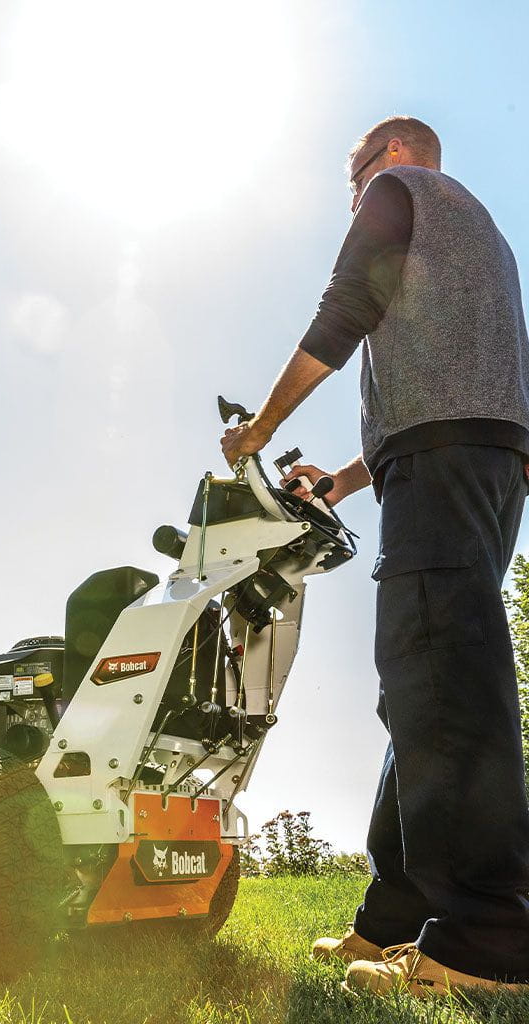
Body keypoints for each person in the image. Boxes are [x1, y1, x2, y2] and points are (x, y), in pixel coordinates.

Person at [220, 115, 529, 997]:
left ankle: (487, 943)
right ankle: (392, 920)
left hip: (444, 464)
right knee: (423, 684)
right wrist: (353, 480)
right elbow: (472, 380)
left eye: (356, 169)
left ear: (394, 154)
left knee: (442, 675)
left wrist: (262, 430)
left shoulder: (404, 194)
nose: (354, 191)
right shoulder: (485, 237)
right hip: (479, 464)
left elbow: (344, 307)